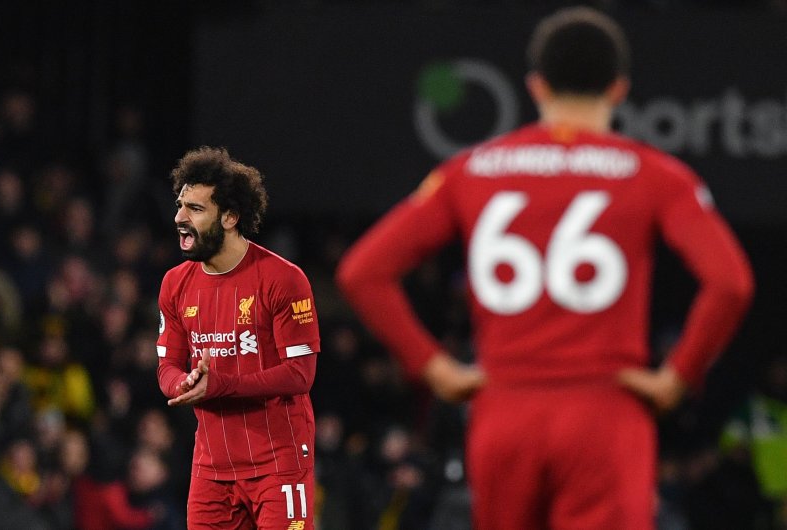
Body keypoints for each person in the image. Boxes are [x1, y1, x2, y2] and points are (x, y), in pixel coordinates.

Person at [336, 7, 754, 530]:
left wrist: (436, 369)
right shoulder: (655, 175)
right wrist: (677, 376)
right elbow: (731, 283)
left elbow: (361, 272)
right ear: (619, 89)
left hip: (504, 412)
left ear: (536, 86)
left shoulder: (471, 170)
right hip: (605, 411)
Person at [156, 147, 320, 529]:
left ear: (230, 217)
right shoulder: (174, 284)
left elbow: (300, 374)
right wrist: (185, 383)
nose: (180, 218)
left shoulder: (283, 279)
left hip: (278, 464)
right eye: (181, 205)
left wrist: (221, 385)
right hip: (211, 470)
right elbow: (167, 365)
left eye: (195, 209)